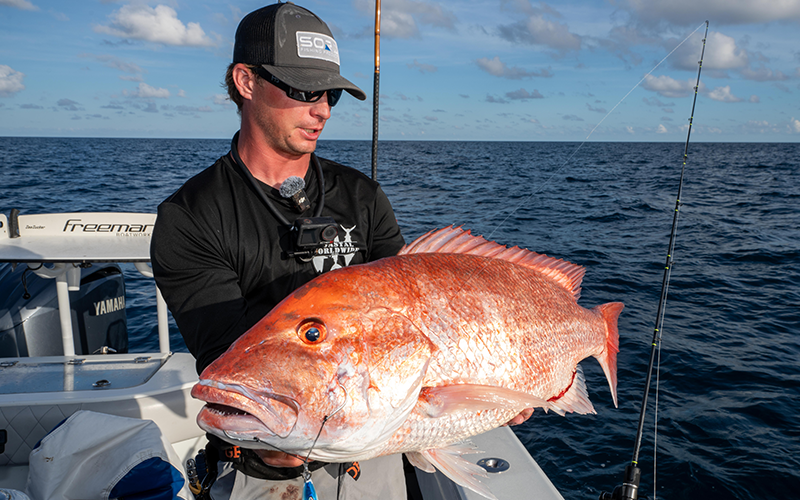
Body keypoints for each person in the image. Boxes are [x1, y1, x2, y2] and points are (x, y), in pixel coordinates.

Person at [150, 3, 408, 499]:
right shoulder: (191, 217)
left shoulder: (363, 195)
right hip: (263, 471)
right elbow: (235, 363)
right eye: (305, 90)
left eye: (330, 93)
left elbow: (412, 314)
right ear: (245, 82)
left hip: (374, 458)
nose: (324, 110)